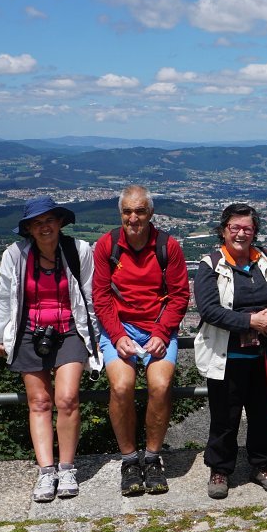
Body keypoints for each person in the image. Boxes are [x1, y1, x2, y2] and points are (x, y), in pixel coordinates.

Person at [0, 196, 103, 503]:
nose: (44, 227)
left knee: (67, 399)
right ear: (28, 229)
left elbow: (90, 297)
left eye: (49, 220)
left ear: (60, 222)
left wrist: (94, 339)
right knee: (39, 402)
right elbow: (5, 299)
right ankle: (46, 471)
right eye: (37, 223)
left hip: (70, 331)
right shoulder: (15, 255)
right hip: (29, 332)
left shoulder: (79, 251)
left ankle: (66, 468)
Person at [92, 185, 191, 497]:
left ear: (151, 214)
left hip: (157, 327)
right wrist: (117, 334)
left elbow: (179, 295)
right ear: (120, 213)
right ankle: (128, 460)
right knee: (121, 387)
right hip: (120, 327)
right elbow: (101, 295)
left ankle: (151, 458)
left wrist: (162, 333)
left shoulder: (168, 246)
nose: (133, 217)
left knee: (160, 387)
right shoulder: (107, 245)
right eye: (127, 211)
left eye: (140, 211)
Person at [193, 204, 267, 500]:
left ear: (255, 231)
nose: (241, 233)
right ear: (224, 230)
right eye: (235, 228)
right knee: (224, 416)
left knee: (264, 414)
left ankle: (263, 465)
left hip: (265, 351)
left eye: (247, 228)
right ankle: (220, 469)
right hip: (227, 354)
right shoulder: (210, 264)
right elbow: (209, 309)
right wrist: (250, 321)